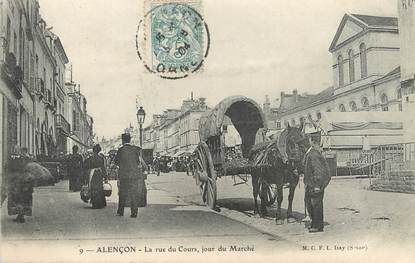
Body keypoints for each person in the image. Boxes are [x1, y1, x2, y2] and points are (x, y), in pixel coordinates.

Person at [298, 137, 331, 233]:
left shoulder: (313, 155)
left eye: (301, 146)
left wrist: (317, 185)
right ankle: (314, 223)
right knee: (309, 203)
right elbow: (308, 167)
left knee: (315, 204)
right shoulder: (309, 153)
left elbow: (318, 171)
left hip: (316, 184)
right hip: (310, 183)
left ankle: (317, 226)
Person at [114, 133, 148, 218]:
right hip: (134, 175)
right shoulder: (135, 150)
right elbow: (137, 162)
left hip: (124, 175)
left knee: (122, 193)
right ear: (129, 140)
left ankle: (120, 211)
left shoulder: (120, 150)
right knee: (134, 194)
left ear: (123, 140)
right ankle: (134, 212)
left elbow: (116, 162)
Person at [6, 147, 34, 223]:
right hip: (27, 184)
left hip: (23, 183)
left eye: (22, 152)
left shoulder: (24, 160)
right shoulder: (29, 160)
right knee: (24, 200)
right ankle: (21, 216)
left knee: (20, 199)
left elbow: (19, 169)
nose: (21, 153)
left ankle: (21, 217)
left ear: (24, 152)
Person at [84, 144, 108, 209]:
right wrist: (105, 177)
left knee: (93, 188)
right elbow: (103, 168)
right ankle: (100, 204)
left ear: (93, 151)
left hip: (92, 174)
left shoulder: (90, 158)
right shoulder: (101, 158)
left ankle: (95, 204)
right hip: (99, 174)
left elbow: (85, 166)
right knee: (100, 188)